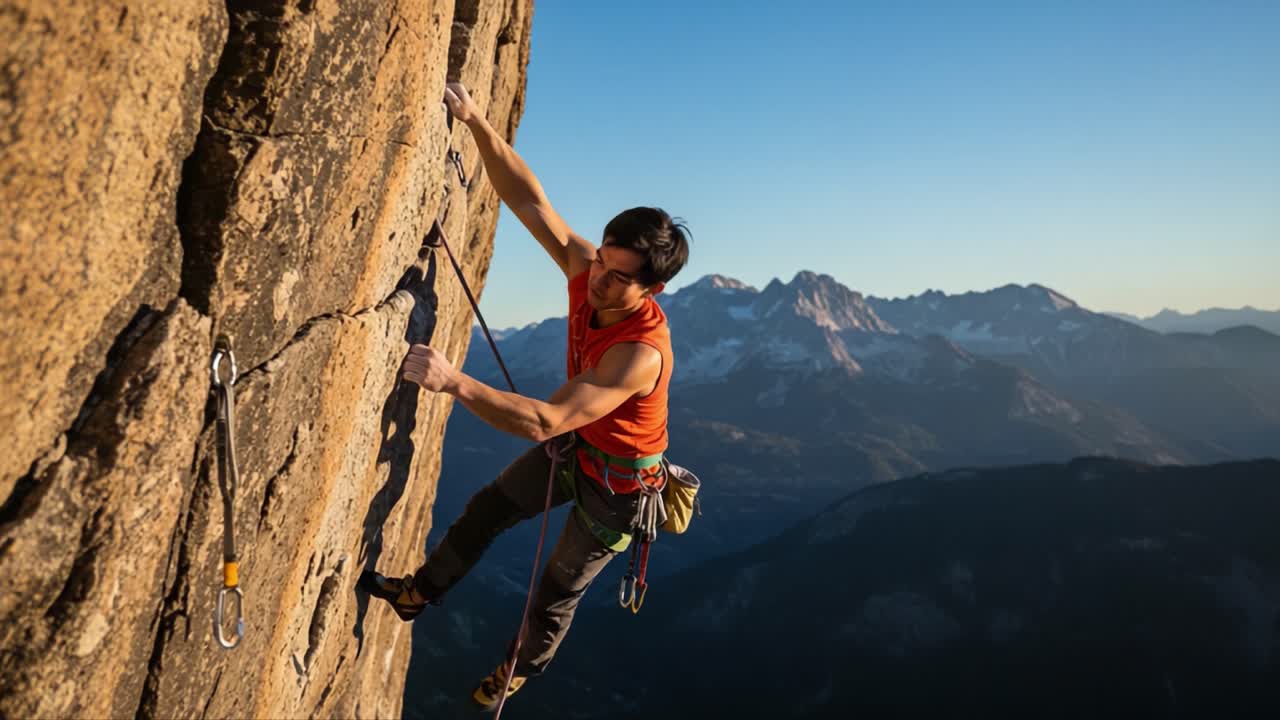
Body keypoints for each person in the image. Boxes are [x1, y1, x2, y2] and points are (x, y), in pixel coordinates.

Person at [358, 81, 690, 710]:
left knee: (555, 591)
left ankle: (515, 672)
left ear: (654, 290)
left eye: (620, 279)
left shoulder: (638, 354)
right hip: (580, 447)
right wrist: (479, 122)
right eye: (601, 262)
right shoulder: (589, 271)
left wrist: (454, 380)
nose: (598, 281)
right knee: (486, 510)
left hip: (618, 488)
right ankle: (416, 595)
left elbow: (546, 419)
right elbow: (528, 199)